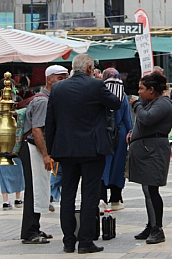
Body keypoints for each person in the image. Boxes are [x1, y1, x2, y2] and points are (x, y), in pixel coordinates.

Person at [45, 54, 121, 254]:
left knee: (67, 195)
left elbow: (50, 121)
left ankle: (68, 241)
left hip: (66, 150)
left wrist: (52, 150)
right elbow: (116, 103)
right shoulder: (95, 86)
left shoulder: (58, 88)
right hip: (92, 149)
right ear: (89, 69)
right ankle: (85, 241)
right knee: (89, 195)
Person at [19, 65, 68, 244]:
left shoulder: (51, 99)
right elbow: (37, 131)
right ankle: (29, 232)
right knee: (34, 190)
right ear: (49, 79)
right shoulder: (43, 101)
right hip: (34, 149)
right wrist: (46, 155)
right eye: (60, 78)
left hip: (39, 149)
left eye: (65, 78)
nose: (64, 81)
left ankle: (35, 227)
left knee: (41, 189)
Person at [127, 72, 172, 244]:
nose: (139, 92)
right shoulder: (151, 103)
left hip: (153, 151)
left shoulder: (162, 103)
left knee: (153, 190)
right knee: (147, 190)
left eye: (141, 89)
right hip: (145, 150)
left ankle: (158, 228)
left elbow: (147, 119)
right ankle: (151, 223)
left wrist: (136, 105)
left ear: (152, 89)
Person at [101, 67, 133, 210]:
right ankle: (116, 198)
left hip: (103, 133)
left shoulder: (101, 93)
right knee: (118, 166)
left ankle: (101, 198)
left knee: (103, 165)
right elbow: (127, 118)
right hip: (120, 134)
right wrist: (131, 132)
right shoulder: (123, 95)